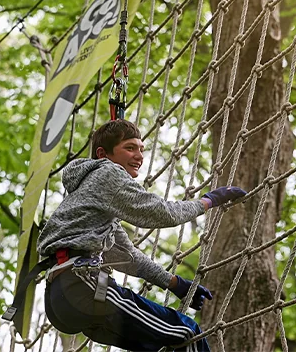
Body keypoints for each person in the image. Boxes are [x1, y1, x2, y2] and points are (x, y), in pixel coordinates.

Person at [36, 119, 247, 352]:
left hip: (61, 298)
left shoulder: (88, 201)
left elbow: (127, 257)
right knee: (187, 333)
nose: (139, 156)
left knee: (159, 346)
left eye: (141, 149)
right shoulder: (108, 173)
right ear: (102, 154)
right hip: (83, 286)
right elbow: (163, 213)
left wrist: (175, 284)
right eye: (130, 148)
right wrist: (209, 201)